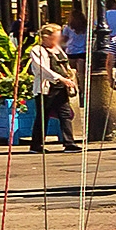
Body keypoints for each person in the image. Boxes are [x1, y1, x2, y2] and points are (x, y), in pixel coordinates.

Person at [26, 23, 75, 154]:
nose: (59, 39)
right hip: (46, 87)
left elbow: (66, 65)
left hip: (62, 87)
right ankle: (36, 145)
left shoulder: (58, 49)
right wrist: (60, 78)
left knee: (65, 114)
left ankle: (69, 143)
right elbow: (41, 69)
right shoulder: (37, 50)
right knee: (43, 115)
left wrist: (69, 78)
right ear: (47, 37)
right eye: (56, 36)